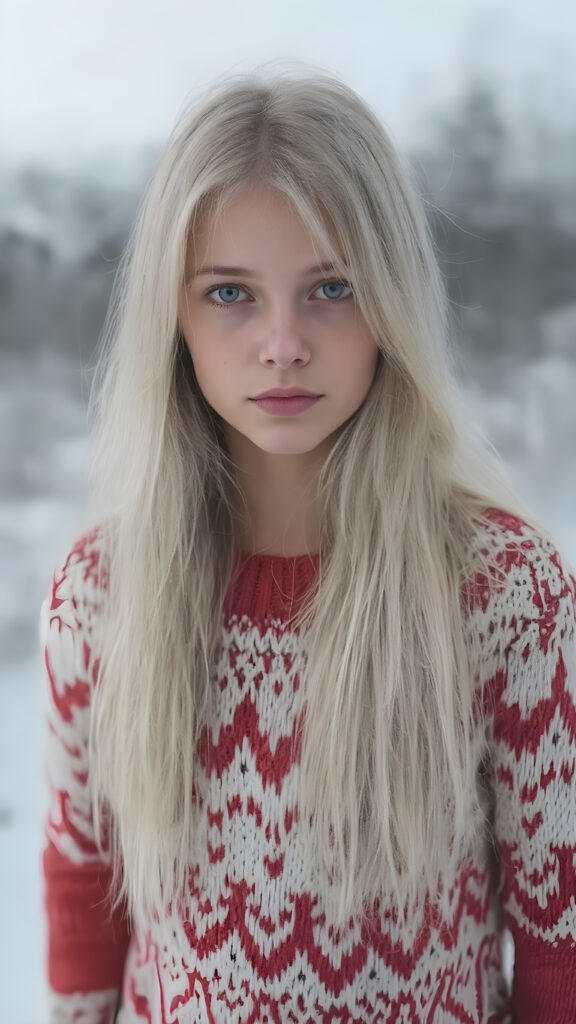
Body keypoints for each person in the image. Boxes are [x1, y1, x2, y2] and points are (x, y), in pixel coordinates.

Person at [41, 73, 576, 1024]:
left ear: (393, 304)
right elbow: (84, 886)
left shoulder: (505, 592)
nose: (282, 343)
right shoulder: (99, 595)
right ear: (175, 317)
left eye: (333, 287)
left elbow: (558, 940)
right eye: (231, 294)